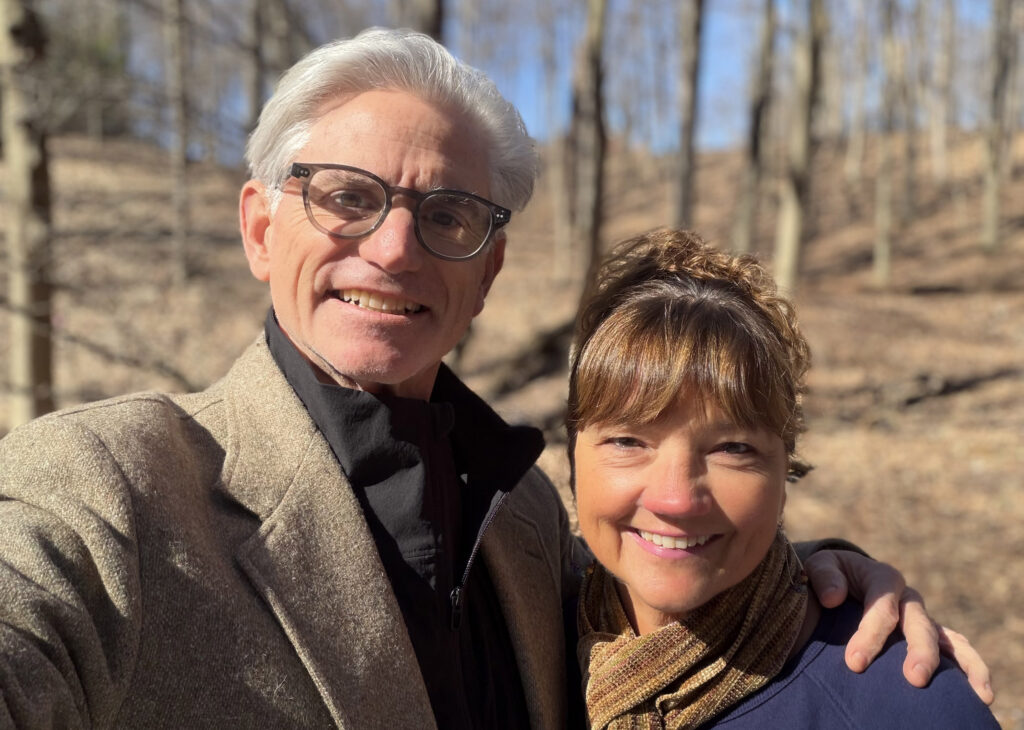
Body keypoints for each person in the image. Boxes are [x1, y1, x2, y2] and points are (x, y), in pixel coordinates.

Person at [0, 29, 989, 730]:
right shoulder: (110, 486)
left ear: (487, 272)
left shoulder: (522, 518)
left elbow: (676, 553)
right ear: (260, 226)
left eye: (448, 214)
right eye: (347, 197)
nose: (392, 248)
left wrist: (820, 579)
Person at [568, 228, 999, 729]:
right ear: (573, 455)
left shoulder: (910, 709)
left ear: (784, 469)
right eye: (628, 441)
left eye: (733, 448)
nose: (676, 498)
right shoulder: (529, 632)